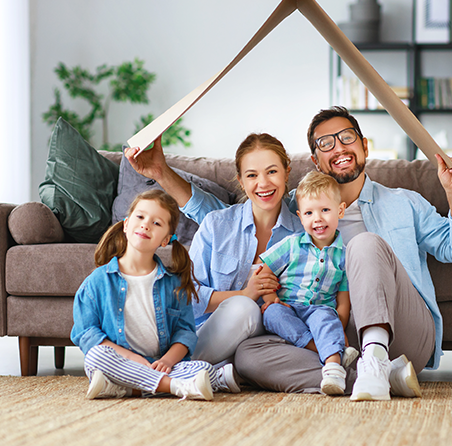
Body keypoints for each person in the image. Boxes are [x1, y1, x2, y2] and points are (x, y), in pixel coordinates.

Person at [234, 106, 452, 401]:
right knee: (248, 355)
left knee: (364, 244)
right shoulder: (296, 209)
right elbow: (236, 214)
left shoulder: (403, 202)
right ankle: (378, 376)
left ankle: (376, 358)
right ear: (315, 160)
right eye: (326, 143)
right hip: (332, 334)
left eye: (347, 137)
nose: (339, 147)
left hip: (402, 329)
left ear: (364, 146)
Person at [125, 134, 305, 389]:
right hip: (209, 334)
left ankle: (155, 376)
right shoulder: (217, 224)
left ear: (287, 173)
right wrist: (245, 293)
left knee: (249, 337)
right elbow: (189, 296)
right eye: (252, 175)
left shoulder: (303, 233)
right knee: (244, 307)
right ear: (241, 181)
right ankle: (179, 373)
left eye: (272, 171)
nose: (263, 183)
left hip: (264, 343)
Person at [71, 189, 229, 400]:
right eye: (140, 217)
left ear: (165, 240)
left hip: (159, 364)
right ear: (126, 225)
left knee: (203, 369)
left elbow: (186, 333)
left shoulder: (174, 284)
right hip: (119, 362)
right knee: (96, 358)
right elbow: (85, 333)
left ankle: (126, 389)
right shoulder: (97, 281)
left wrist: (167, 362)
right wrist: (132, 358)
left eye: (157, 223)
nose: (146, 224)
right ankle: (175, 387)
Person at [258, 171, 358, 395]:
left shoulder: (344, 254)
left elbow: (343, 295)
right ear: (300, 217)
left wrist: (339, 319)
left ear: (340, 210)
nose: (318, 218)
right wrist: (271, 300)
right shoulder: (291, 244)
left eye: (325, 210)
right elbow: (264, 271)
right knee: (272, 314)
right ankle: (328, 349)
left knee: (326, 318)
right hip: (288, 307)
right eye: (309, 213)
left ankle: (333, 369)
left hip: (320, 309)